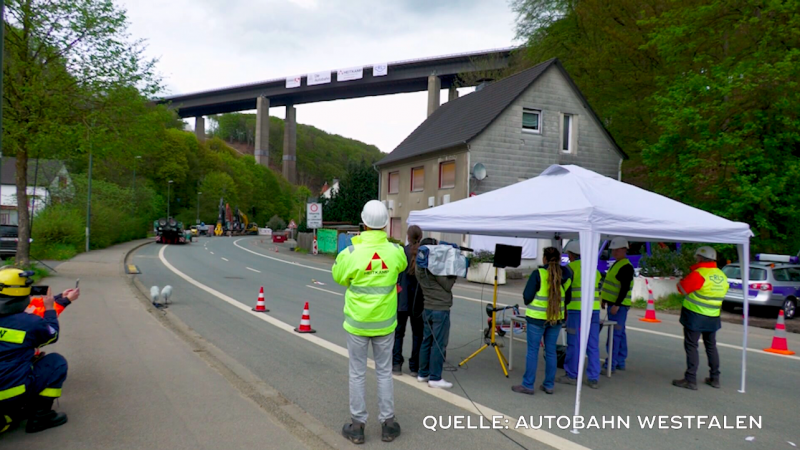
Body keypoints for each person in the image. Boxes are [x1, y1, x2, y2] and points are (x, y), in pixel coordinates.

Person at [332, 200, 407, 444]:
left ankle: (357, 426)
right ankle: (388, 424)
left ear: (363, 223)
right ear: (386, 224)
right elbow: (401, 266)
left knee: (357, 373)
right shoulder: (395, 253)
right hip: (385, 324)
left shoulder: (350, 253)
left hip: (357, 323)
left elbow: (339, 277)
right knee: (384, 372)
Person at [0, 268, 75, 434]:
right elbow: (51, 335)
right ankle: (41, 416)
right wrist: (49, 308)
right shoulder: (30, 322)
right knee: (56, 362)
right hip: (9, 392)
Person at [512, 247, 572, 395]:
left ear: (544, 259)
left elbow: (527, 296)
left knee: (532, 351)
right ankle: (549, 385)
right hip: (556, 319)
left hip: (537, 319)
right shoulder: (566, 275)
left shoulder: (538, 274)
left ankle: (528, 385)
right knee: (550, 351)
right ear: (558, 259)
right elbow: (568, 299)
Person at [672, 246, 728, 390]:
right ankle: (715, 378)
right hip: (713, 316)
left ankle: (690, 379)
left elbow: (682, 289)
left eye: (697, 257)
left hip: (695, 315)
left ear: (701, 258)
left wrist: (680, 281)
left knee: (691, 346)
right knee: (711, 346)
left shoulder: (699, 274)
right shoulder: (721, 275)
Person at [557, 240, 601, 389]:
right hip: (594, 311)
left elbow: (565, 288)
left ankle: (572, 375)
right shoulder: (593, 269)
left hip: (577, 310)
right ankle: (593, 378)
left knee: (574, 343)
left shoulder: (570, 268)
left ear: (571, 254)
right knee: (592, 344)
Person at [415, 237, 457, 389]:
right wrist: (455, 271)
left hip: (428, 307)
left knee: (427, 341)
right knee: (438, 344)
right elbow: (447, 285)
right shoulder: (434, 265)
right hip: (440, 309)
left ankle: (423, 373)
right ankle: (435, 377)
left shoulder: (419, 265)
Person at [393, 225, 424, 376]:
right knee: (418, 334)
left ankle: (396, 365)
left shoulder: (401, 252)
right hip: (418, 301)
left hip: (402, 300)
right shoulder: (424, 254)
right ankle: (415, 367)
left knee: (399, 333)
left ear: (408, 236)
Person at [601, 237, 634, 372]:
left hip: (618, 306)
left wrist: (616, 304)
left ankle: (612, 364)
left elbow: (624, 288)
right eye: (613, 250)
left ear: (623, 250)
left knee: (615, 334)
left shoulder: (625, 267)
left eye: (616, 250)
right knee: (620, 333)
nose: (614, 252)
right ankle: (619, 360)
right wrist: (604, 299)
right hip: (614, 304)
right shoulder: (617, 264)